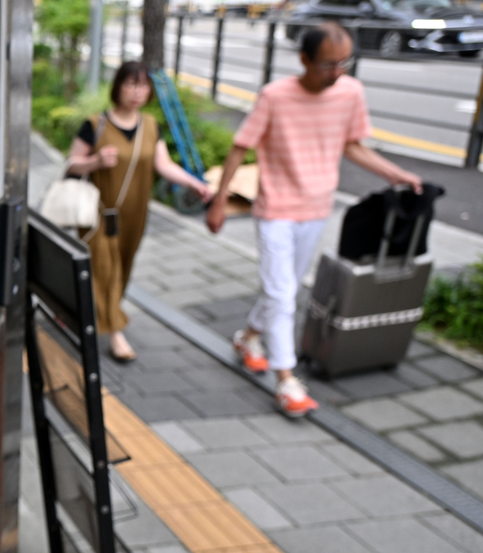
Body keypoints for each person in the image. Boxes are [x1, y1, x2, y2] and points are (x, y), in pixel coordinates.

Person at [207, 22, 422, 417]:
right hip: (275, 208)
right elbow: (240, 147)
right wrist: (219, 203)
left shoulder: (350, 92)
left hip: (317, 207)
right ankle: (286, 379)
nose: (337, 72)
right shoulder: (275, 96)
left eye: (344, 63)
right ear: (304, 59)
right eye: (327, 64)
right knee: (282, 293)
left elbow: (353, 146)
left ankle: (248, 337)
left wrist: (396, 174)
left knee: (283, 290)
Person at [66, 61, 213, 362]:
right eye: (131, 84)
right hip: (99, 213)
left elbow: (163, 164)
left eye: (143, 85)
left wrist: (193, 183)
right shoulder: (96, 124)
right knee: (104, 269)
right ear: (117, 87)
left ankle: (86, 309)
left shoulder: (149, 125)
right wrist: (95, 162)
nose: (137, 92)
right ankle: (114, 332)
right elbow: (71, 164)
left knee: (123, 267)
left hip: (134, 213)